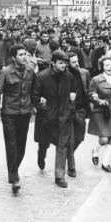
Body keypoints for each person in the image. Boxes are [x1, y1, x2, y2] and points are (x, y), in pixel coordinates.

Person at [0, 44, 36, 193]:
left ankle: (13, 171)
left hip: (24, 113)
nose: (24, 57)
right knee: (11, 145)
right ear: (13, 58)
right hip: (9, 113)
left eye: (25, 54)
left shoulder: (30, 71)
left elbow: (34, 91)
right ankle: (14, 177)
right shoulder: (5, 72)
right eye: (21, 55)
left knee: (21, 147)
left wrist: (35, 106)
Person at [33, 51, 77, 188]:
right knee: (44, 143)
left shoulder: (69, 76)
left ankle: (59, 176)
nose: (64, 65)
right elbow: (35, 96)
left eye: (65, 63)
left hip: (63, 117)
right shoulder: (42, 76)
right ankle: (41, 155)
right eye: (61, 63)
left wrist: (70, 106)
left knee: (62, 146)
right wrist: (41, 104)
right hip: (47, 118)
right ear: (53, 63)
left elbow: (73, 93)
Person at [89, 56, 111, 173]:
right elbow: (91, 93)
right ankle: (95, 150)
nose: (110, 67)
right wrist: (98, 100)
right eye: (107, 65)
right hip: (100, 111)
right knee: (103, 139)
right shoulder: (96, 80)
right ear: (102, 67)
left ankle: (105, 163)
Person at [67, 52, 90, 153]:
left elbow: (89, 89)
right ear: (68, 64)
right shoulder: (64, 75)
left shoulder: (84, 73)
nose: (77, 63)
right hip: (67, 110)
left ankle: (69, 153)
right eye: (73, 62)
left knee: (80, 136)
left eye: (77, 61)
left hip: (80, 110)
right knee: (67, 136)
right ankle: (69, 157)